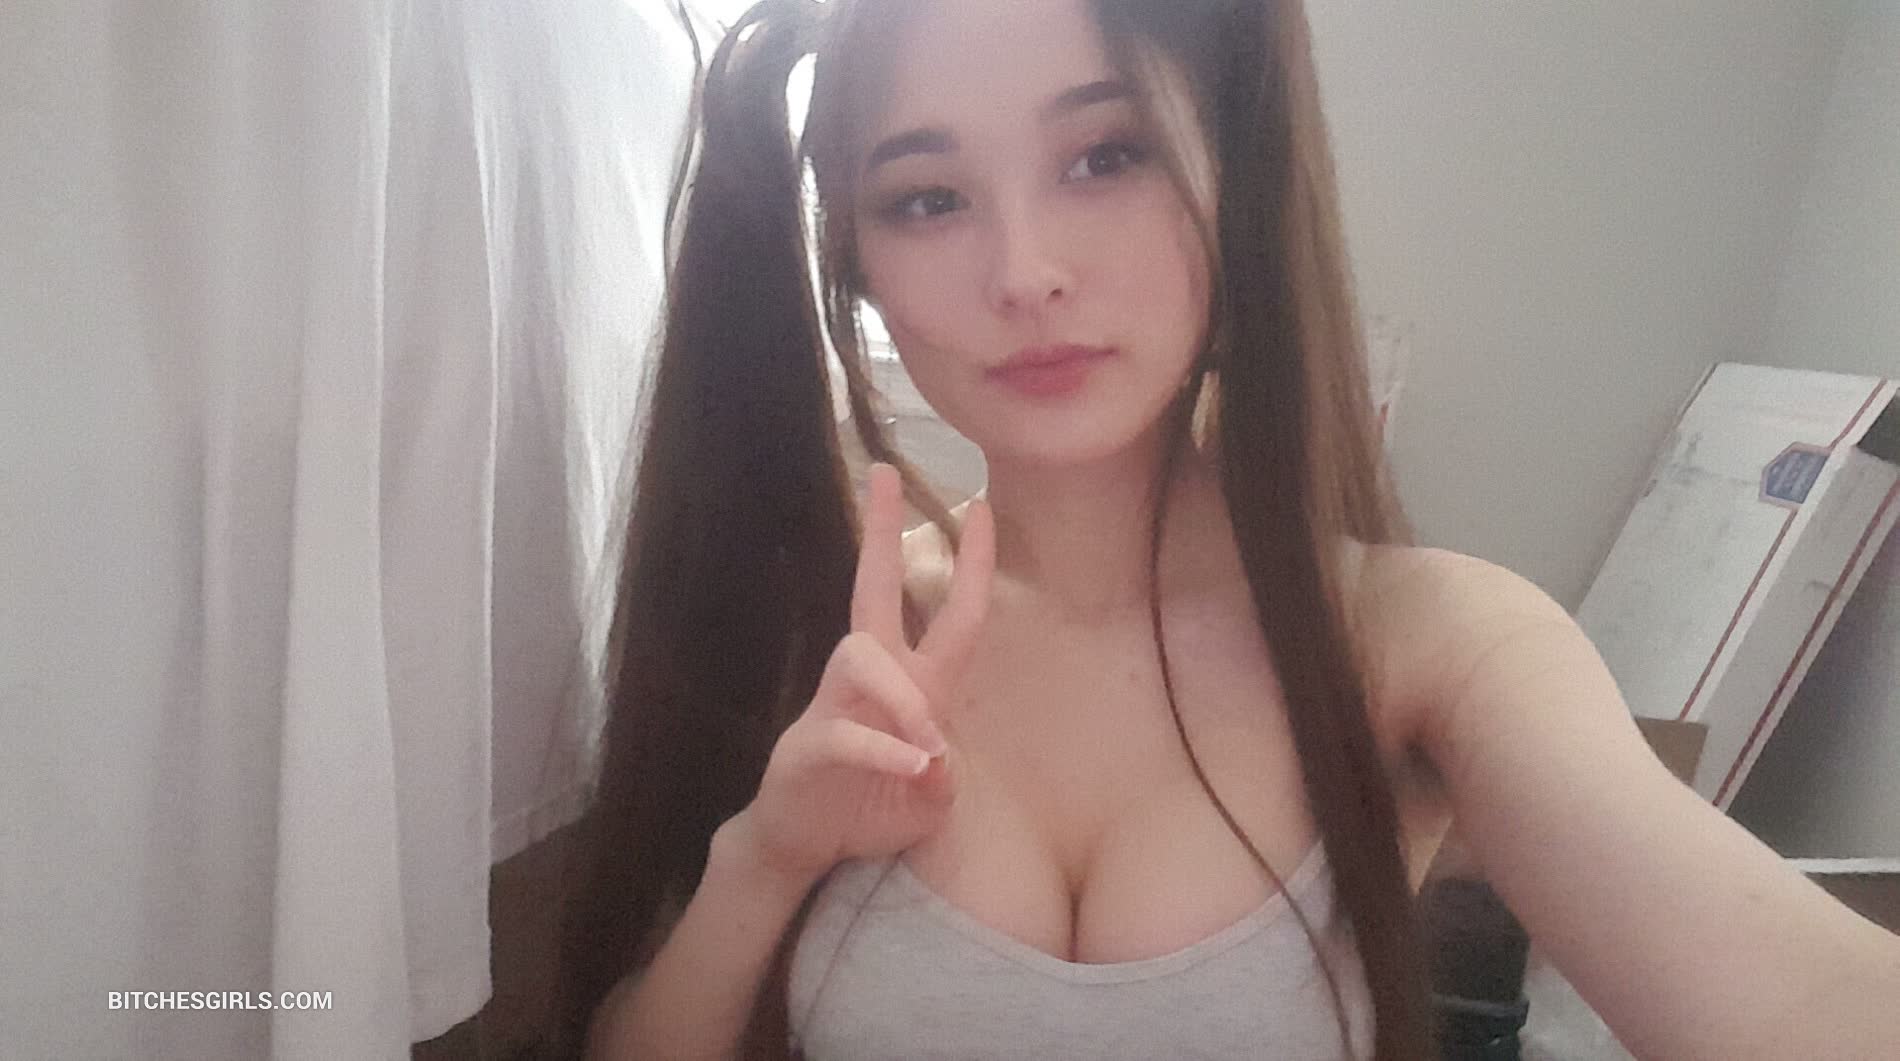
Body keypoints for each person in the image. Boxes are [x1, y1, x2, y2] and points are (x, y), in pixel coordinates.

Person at [555, 0, 1900, 1058]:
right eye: (927, 197)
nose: (1025, 270)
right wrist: (768, 856)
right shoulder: (838, 635)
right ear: (857, 263)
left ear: (1233, 179)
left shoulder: (1423, 644)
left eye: (1107, 155)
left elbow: (1791, 997)